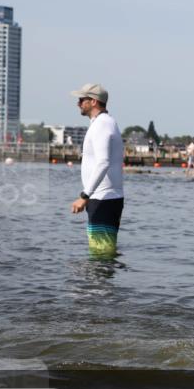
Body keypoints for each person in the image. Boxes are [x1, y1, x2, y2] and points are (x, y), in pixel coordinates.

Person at [69, 83, 124, 258]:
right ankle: (97, 284)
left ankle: (99, 285)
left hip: (103, 198)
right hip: (101, 198)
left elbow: (103, 162)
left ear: (93, 102)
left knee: (101, 255)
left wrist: (84, 196)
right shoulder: (101, 123)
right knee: (101, 253)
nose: (78, 103)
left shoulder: (102, 124)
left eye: (81, 100)